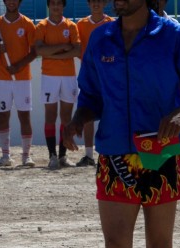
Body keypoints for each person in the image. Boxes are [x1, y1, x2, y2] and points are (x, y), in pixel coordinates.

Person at [63, 0, 180, 248]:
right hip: (114, 153)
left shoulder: (174, 36)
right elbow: (92, 95)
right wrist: (78, 118)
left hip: (160, 152)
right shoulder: (101, 38)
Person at [34, 0, 80, 169]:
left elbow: (77, 50)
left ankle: (62, 156)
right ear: (48, 6)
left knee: (66, 118)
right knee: (50, 116)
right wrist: (62, 47)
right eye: (53, 3)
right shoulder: (41, 26)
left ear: (63, 6)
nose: (56, 6)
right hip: (49, 76)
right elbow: (39, 51)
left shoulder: (71, 26)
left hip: (68, 76)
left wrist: (52, 53)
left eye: (59, 4)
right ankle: (52, 155)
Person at [0, 0, 37, 167]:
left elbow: (34, 52)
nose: (11, 2)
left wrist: (18, 66)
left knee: (24, 116)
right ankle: (5, 155)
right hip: (2, 79)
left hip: (22, 79)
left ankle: (26, 156)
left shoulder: (27, 24)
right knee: (3, 115)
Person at [75, 0, 113, 167]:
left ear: (104, 4)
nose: (96, 4)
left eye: (99, 1)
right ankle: (89, 154)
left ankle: (110, 153)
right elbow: (77, 48)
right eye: (93, 1)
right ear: (89, 4)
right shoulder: (81, 24)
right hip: (90, 75)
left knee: (110, 113)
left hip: (109, 75)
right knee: (88, 112)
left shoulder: (112, 23)